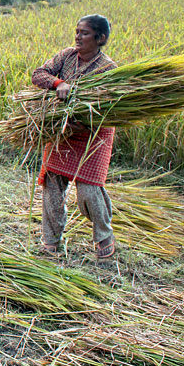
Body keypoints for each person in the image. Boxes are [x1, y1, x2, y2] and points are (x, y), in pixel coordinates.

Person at [32, 14, 117, 259]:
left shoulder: (108, 69)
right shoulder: (67, 56)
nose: (78, 36)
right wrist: (58, 83)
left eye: (85, 33)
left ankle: (103, 236)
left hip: (93, 135)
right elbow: (39, 74)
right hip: (63, 132)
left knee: (89, 191)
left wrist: (83, 117)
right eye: (77, 31)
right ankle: (51, 241)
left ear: (100, 39)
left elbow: (109, 107)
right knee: (52, 185)